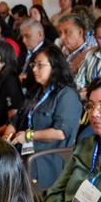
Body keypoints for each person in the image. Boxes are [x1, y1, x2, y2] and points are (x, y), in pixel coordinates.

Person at [12, 46, 84, 188]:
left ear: (55, 67)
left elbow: (60, 133)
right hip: (26, 149)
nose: (34, 69)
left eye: (40, 65)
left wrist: (29, 135)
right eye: (34, 65)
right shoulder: (36, 91)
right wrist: (7, 136)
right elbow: (17, 119)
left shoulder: (67, 95)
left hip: (48, 155)